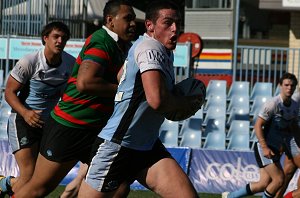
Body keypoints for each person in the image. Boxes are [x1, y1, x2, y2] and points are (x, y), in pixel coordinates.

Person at [77, 1, 204, 197]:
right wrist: (184, 103)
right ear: (150, 26)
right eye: (168, 23)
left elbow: (121, 76)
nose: (175, 29)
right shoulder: (150, 48)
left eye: (177, 23)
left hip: (146, 146)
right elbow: (157, 101)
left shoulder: (157, 49)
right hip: (118, 146)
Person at [13, 1, 136, 197]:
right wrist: (126, 91)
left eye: (133, 18)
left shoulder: (124, 47)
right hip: (69, 126)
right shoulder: (100, 41)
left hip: (97, 129)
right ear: (110, 21)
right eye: (127, 18)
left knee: (118, 186)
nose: (133, 23)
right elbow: (85, 83)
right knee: (37, 187)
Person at [0, 21, 75, 198]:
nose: (59, 41)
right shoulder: (30, 61)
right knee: (28, 175)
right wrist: (26, 113)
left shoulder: (70, 64)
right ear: (45, 38)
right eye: (55, 37)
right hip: (22, 121)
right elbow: (9, 92)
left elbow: (68, 95)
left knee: (38, 179)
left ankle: (5, 184)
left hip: (47, 124)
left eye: (63, 38)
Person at [222, 72, 300, 198]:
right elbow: (257, 125)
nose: (289, 88)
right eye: (286, 85)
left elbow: (293, 127)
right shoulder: (273, 104)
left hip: (276, 149)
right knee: (278, 179)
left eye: (292, 86)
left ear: (295, 87)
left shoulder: (295, 106)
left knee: (263, 184)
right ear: (280, 85)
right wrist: (264, 147)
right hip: (265, 148)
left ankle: (231, 196)